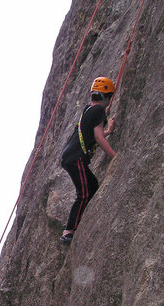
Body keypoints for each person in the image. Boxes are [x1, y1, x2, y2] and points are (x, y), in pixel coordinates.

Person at [60, 76, 117, 244]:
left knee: (92, 185)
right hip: (76, 157)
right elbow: (99, 138)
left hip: (71, 156)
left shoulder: (88, 109)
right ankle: (68, 232)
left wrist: (108, 130)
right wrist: (115, 157)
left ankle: (79, 221)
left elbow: (92, 134)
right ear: (107, 96)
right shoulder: (98, 111)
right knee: (84, 193)